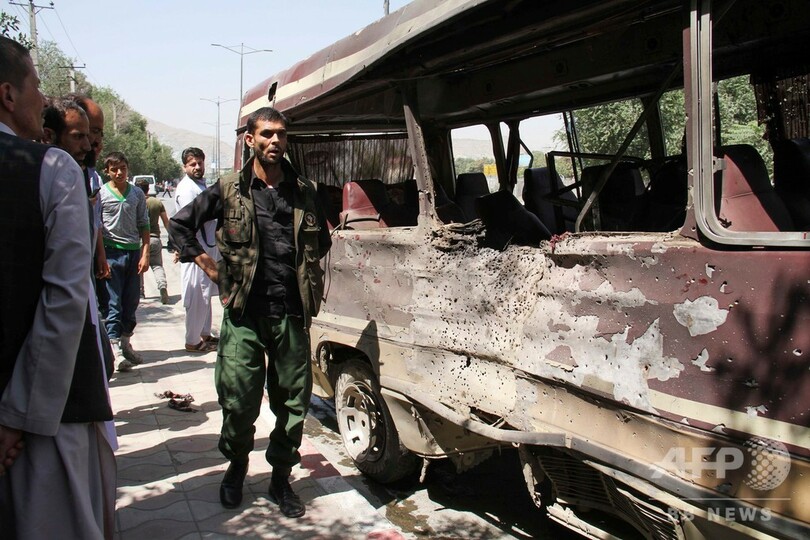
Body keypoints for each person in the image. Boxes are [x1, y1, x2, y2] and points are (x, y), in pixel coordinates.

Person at [170, 107, 331, 518]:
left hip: (290, 314)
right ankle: (237, 466)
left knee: (292, 404)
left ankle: (281, 478)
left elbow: (322, 243)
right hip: (244, 314)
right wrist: (209, 267)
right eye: (267, 134)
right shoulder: (229, 188)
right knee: (239, 400)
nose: (275, 141)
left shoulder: (304, 190)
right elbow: (180, 226)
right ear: (250, 140)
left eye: (281, 134)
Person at [0, 35, 116, 539]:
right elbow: (64, 301)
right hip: (44, 423)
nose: (41, 98)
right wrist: (16, 417)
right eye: (36, 85)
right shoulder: (49, 170)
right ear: (8, 94)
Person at [98, 151, 150, 372]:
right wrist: (101, 257)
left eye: (123, 168)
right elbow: (97, 228)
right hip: (110, 254)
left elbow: (144, 224)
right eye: (114, 169)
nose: (119, 173)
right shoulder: (101, 194)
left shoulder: (136, 193)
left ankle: (125, 343)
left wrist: (145, 253)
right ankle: (114, 350)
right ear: (107, 171)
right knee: (113, 303)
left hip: (133, 254)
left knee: (131, 302)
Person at [174, 147, 220, 352]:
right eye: (192, 164)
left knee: (205, 293)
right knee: (197, 295)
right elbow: (189, 221)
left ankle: (205, 334)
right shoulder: (187, 189)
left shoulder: (199, 185)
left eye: (200, 163)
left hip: (207, 248)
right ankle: (192, 341)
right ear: (184, 166)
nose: (197, 167)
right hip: (196, 250)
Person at [134, 176, 170, 303]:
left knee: (139, 267)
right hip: (155, 239)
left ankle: (140, 292)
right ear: (148, 189)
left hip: (140, 240)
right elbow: (166, 222)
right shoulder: (157, 202)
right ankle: (162, 286)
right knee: (157, 266)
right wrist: (172, 238)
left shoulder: (135, 202)